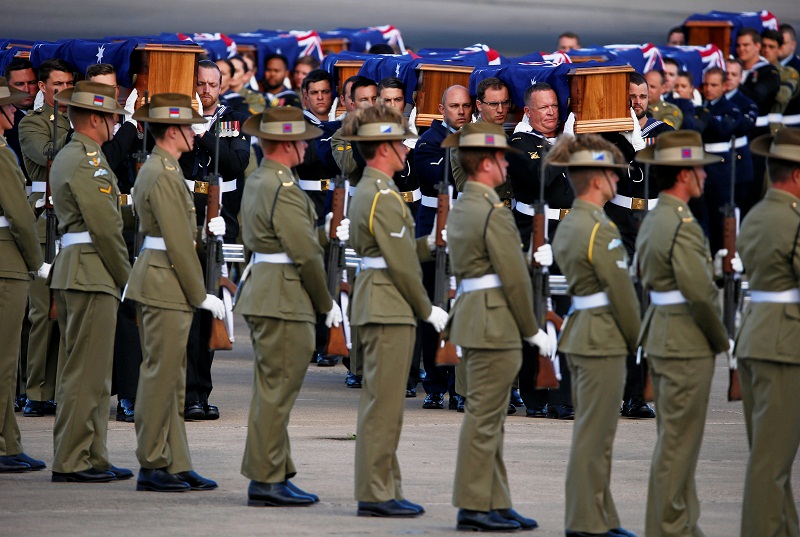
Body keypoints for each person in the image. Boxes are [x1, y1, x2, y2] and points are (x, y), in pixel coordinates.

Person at [342, 104, 448, 517]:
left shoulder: (376, 188)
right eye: (400, 143)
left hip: (384, 300)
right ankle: (375, 492)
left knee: (383, 406)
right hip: (388, 306)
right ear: (384, 147)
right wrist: (428, 309)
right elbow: (400, 264)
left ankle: (386, 485)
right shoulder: (381, 193)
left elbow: (397, 251)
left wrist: (431, 244)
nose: (407, 150)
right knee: (383, 407)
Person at [444, 121, 550, 532]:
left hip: (477, 316)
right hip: (495, 323)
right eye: (502, 157)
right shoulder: (491, 210)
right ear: (486, 163)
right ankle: (474, 505)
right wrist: (532, 329)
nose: (507, 163)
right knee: (486, 420)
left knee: (488, 418)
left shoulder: (466, 203)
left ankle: (496, 500)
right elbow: (514, 278)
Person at [237, 106, 344, 506]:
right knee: (277, 392)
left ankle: (274, 471)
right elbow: (304, 255)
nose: (306, 145)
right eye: (300, 139)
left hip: (270, 290)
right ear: (284, 144)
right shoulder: (281, 186)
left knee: (273, 390)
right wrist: (325, 302)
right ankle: (266, 479)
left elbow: (283, 238)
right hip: (283, 297)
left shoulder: (264, 179)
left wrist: (321, 229)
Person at [635, 130, 734, 537]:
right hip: (684, 342)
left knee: (675, 442)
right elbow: (699, 293)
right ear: (682, 175)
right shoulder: (682, 224)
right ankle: (671, 527)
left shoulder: (657, 217)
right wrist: (723, 341)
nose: (704, 178)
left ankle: (680, 523)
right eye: (698, 170)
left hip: (664, 336)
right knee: (679, 445)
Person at [128, 92, 226, 493]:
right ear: (171, 131)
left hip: (168, 281)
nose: (194, 133)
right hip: (165, 282)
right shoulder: (163, 173)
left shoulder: (165, 168)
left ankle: (176, 461)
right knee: (160, 377)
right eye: (188, 126)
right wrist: (200, 292)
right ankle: (153, 462)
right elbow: (175, 242)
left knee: (173, 378)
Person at [548, 134, 640, 537]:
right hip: (603, 337)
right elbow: (623, 293)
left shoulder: (575, 221)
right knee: (596, 435)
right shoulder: (599, 228)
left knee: (594, 433)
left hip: (585, 333)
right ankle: (587, 520)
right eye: (613, 174)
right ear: (600, 179)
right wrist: (640, 341)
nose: (618, 180)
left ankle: (599, 515)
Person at [48, 81, 132, 483]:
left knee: (94, 372)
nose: (116, 123)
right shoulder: (87, 160)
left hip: (81, 268)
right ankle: (73, 459)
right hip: (91, 271)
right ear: (97, 118)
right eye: (112, 116)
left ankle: (93, 453)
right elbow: (105, 227)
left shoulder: (82, 154)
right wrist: (127, 278)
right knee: (85, 372)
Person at [736, 126, 800, 537]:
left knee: (769, 452)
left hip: (756, 336)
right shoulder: (791, 219)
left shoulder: (757, 214)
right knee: (771, 460)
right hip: (784, 343)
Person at [180, 60, 250, 421]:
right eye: (201, 84)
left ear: (220, 87)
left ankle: (199, 393)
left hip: (218, 223)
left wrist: (200, 132)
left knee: (208, 310)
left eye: (212, 84)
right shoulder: (179, 115)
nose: (206, 90)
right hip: (182, 220)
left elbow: (235, 162)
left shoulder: (231, 119)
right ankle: (187, 391)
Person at [506, 82, 575, 420]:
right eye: (544, 108)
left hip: (567, 232)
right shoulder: (520, 142)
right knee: (535, 312)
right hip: (535, 234)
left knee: (564, 313)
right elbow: (541, 178)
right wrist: (565, 145)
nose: (551, 113)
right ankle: (535, 395)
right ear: (528, 112)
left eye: (555, 107)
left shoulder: (570, 141)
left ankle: (562, 396)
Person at [85, 63, 143, 423]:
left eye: (112, 90)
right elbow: (106, 161)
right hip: (107, 228)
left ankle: (134, 391)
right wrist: (131, 128)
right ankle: (124, 394)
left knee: (134, 313)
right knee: (116, 315)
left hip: (138, 226)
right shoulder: (90, 132)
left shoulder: (129, 124)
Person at [17, 58, 73, 418]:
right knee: (41, 314)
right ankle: (36, 390)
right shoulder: (33, 124)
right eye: (57, 85)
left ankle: (58, 388)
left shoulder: (75, 121)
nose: (64, 90)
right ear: (42, 87)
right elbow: (46, 155)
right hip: (42, 222)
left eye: (70, 84)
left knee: (64, 313)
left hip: (70, 223)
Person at [0, 76, 49, 473]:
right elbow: (18, 214)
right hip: (7, 264)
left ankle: (10, 442)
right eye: (9, 107)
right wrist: (36, 260)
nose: (14, 111)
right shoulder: (0, 154)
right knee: (3, 361)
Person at [414, 85, 471, 411]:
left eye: (465, 106)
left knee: (462, 306)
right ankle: (435, 384)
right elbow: (438, 176)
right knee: (435, 307)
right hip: (433, 227)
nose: (460, 112)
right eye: (454, 106)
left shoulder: (475, 137)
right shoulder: (428, 142)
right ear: (441, 108)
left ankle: (459, 384)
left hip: (465, 228)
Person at [724, 58, 759, 214]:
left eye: (733, 74)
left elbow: (744, 126)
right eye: (726, 73)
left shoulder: (747, 103)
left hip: (738, 164)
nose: (729, 77)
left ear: (740, 78)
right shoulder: (708, 102)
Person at [779, 24, 800, 127]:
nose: (779, 47)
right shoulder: (769, 66)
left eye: (783, 43)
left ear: (793, 45)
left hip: (794, 127)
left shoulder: (798, 68)